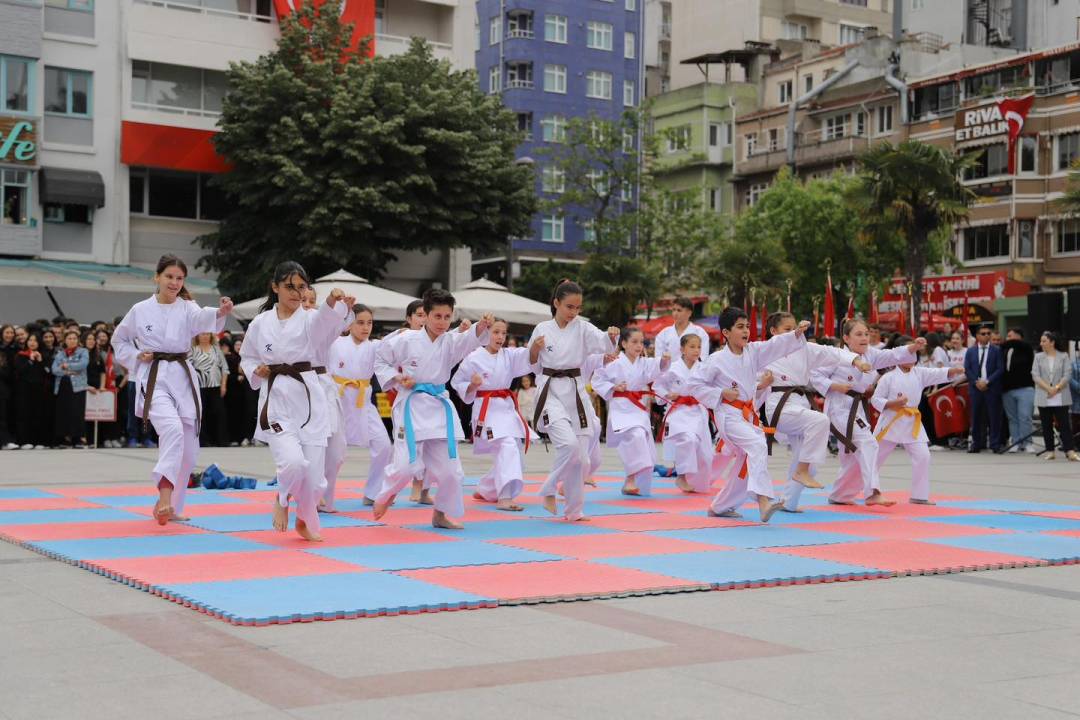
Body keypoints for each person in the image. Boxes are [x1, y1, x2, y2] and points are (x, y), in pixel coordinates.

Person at [113, 254, 233, 524]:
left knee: (189, 452)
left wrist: (220, 312)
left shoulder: (187, 307)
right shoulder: (140, 309)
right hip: (154, 376)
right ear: (157, 277)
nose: (174, 282)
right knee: (172, 429)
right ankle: (165, 495)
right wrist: (137, 355)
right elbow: (119, 341)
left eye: (179, 278)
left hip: (182, 376)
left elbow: (203, 318)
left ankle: (169, 506)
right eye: (169, 276)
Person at [239, 261, 351, 541]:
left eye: (301, 287)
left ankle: (303, 519)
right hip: (276, 399)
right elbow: (248, 357)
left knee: (314, 478)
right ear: (275, 287)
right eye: (290, 286)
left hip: (309, 400)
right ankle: (282, 498)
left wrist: (332, 301)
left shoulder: (310, 318)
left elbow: (325, 320)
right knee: (293, 463)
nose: (297, 293)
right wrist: (256, 370)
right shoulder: (260, 323)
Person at [371, 289, 492, 529]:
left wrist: (481, 325)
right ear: (425, 315)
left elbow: (471, 339)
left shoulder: (451, 341)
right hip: (411, 405)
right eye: (437, 316)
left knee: (451, 472)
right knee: (405, 466)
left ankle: (440, 514)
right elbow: (380, 359)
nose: (442, 322)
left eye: (447, 317)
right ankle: (385, 494)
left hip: (438, 407)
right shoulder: (406, 340)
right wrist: (397, 377)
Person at [688, 307, 811, 523]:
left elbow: (774, 345)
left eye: (747, 326)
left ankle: (720, 506)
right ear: (726, 332)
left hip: (746, 415)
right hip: (728, 415)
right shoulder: (716, 360)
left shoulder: (753, 352)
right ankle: (763, 501)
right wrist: (720, 392)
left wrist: (796, 334)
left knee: (747, 461)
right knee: (757, 445)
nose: (746, 331)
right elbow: (694, 384)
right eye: (740, 327)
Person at [759, 312, 869, 514]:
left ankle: (788, 502)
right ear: (773, 331)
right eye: (787, 329)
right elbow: (748, 379)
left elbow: (832, 353)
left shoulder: (804, 348)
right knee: (819, 421)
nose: (793, 332)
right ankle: (800, 472)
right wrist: (760, 385)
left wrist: (857, 361)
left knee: (811, 462)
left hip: (800, 403)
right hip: (780, 405)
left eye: (794, 328)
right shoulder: (765, 350)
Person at [530, 280, 620, 521]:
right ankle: (549, 488)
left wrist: (612, 335)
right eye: (569, 306)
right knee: (569, 446)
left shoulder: (583, 328)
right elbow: (532, 363)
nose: (574, 312)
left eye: (578, 308)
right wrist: (535, 349)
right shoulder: (541, 329)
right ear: (556, 303)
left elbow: (604, 342)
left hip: (576, 392)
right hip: (550, 391)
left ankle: (573, 510)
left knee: (580, 459)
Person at [810, 320, 925, 507]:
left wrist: (913, 347)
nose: (864, 338)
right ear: (846, 338)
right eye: (858, 334)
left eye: (866, 334)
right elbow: (815, 375)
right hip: (839, 407)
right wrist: (835, 386)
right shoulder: (836, 355)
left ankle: (840, 495)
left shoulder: (871, 354)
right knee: (868, 443)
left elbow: (893, 355)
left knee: (852, 457)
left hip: (857, 407)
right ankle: (873, 492)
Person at [451, 318, 542, 511]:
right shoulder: (473, 357)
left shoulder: (509, 355)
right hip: (487, 409)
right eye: (495, 332)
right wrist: (473, 385)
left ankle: (486, 488)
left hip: (506, 407)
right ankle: (504, 496)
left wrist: (537, 345)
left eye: (503, 333)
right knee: (507, 445)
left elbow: (529, 356)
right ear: (486, 334)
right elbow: (457, 382)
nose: (500, 337)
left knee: (515, 451)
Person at [872, 357, 965, 504]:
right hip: (891, 421)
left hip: (912, 421)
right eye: (907, 355)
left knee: (923, 456)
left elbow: (936, 373)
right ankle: (868, 491)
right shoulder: (888, 377)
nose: (911, 359)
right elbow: (875, 399)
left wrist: (952, 370)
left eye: (914, 355)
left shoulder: (919, 373)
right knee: (873, 459)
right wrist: (892, 403)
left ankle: (919, 495)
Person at [592, 326, 671, 497]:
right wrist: (614, 387)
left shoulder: (644, 362)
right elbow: (597, 381)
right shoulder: (613, 362)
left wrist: (665, 360)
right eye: (634, 342)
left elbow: (659, 366)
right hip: (621, 407)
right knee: (636, 436)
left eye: (641, 342)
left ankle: (636, 484)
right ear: (624, 344)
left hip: (638, 408)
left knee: (644, 444)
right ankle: (630, 479)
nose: (639, 346)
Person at [328, 304, 390, 507]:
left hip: (363, 401)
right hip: (337, 400)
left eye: (369, 323)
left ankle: (373, 492)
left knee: (384, 445)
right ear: (349, 324)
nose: (365, 327)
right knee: (333, 454)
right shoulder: (334, 343)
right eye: (360, 322)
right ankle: (321, 496)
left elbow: (396, 344)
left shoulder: (375, 347)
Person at [301, 288, 353, 515]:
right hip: (299, 385)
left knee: (336, 450)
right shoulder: (285, 325)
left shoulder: (321, 323)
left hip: (324, 384)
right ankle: (308, 494)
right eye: (303, 300)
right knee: (308, 447)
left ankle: (324, 495)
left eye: (312, 300)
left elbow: (337, 324)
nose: (307, 304)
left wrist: (345, 309)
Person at [653, 334, 713, 494]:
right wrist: (667, 395)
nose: (696, 350)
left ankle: (697, 483)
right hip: (678, 410)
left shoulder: (704, 369)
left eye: (699, 347)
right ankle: (682, 476)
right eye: (692, 346)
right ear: (682, 349)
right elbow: (658, 386)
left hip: (698, 412)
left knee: (705, 453)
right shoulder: (672, 368)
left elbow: (712, 389)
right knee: (688, 439)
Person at [1032, 331, 1079, 461]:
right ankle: (1050, 451)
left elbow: (1067, 374)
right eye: (1041, 341)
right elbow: (1035, 375)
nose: (1041, 343)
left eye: (1044, 341)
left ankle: (1070, 451)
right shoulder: (1038, 357)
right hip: (1044, 394)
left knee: (1064, 424)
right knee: (1046, 424)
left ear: (1052, 342)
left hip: (1060, 395)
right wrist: (1048, 389)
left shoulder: (1063, 356)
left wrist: (1056, 388)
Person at [965, 324, 1004, 453]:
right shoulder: (970, 351)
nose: (986, 335)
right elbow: (967, 369)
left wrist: (987, 381)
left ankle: (995, 444)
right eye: (983, 333)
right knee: (976, 417)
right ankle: (976, 444)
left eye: (988, 333)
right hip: (975, 389)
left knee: (994, 417)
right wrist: (976, 382)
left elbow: (1000, 369)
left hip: (991, 388)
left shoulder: (996, 350)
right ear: (977, 336)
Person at [188, 332, 230, 448]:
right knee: (202, 414)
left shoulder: (216, 349)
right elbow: (188, 370)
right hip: (199, 387)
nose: (205, 336)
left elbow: (225, 368)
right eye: (202, 334)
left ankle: (221, 440)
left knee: (219, 413)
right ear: (197, 336)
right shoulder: (193, 350)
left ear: (211, 336)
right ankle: (203, 441)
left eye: (207, 334)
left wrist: (223, 385)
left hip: (215, 386)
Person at [51, 329, 89, 448]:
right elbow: (54, 370)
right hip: (63, 386)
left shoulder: (83, 351)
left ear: (78, 340)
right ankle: (65, 439)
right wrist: (67, 372)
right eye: (69, 338)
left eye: (74, 338)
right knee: (64, 412)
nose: (72, 340)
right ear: (65, 341)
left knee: (77, 412)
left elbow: (82, 365)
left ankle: (78, 439)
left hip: (78, 387)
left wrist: (66, 365)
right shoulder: (60, 354)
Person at [1000, 327, 1036, 453]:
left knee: (1025, 416)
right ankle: (1016, 442)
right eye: (1007, 336)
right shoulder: (1005, 350)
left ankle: (1027, 442)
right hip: (1007, 389)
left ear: (1018, 336)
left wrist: (1006, 342)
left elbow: (1016, 343)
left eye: (1010, 336)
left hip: (1025, 388)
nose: (1007, 338)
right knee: (1012, 418)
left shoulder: (1026, 348)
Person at [14, 334, 51, 449]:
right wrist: (30, 360)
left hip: (39, 390)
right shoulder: (21, 355)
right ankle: (24, 441)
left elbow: (48, 372)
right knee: (24, 414)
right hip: (24, 389)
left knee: (38, 414)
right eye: (30, 340)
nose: (32, 342)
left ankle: (38, 440)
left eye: (35, 340)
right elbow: (20, 370)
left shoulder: (44, 355)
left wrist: (40, 361)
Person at [653, 296, 710, 361]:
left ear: (689, 313)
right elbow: (658, 360)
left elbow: (703, 358)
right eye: (673, 310)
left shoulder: (700, 333)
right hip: (669, 367)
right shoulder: (663, 334)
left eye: (679, 310)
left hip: (693, 367)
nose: (675, 313)